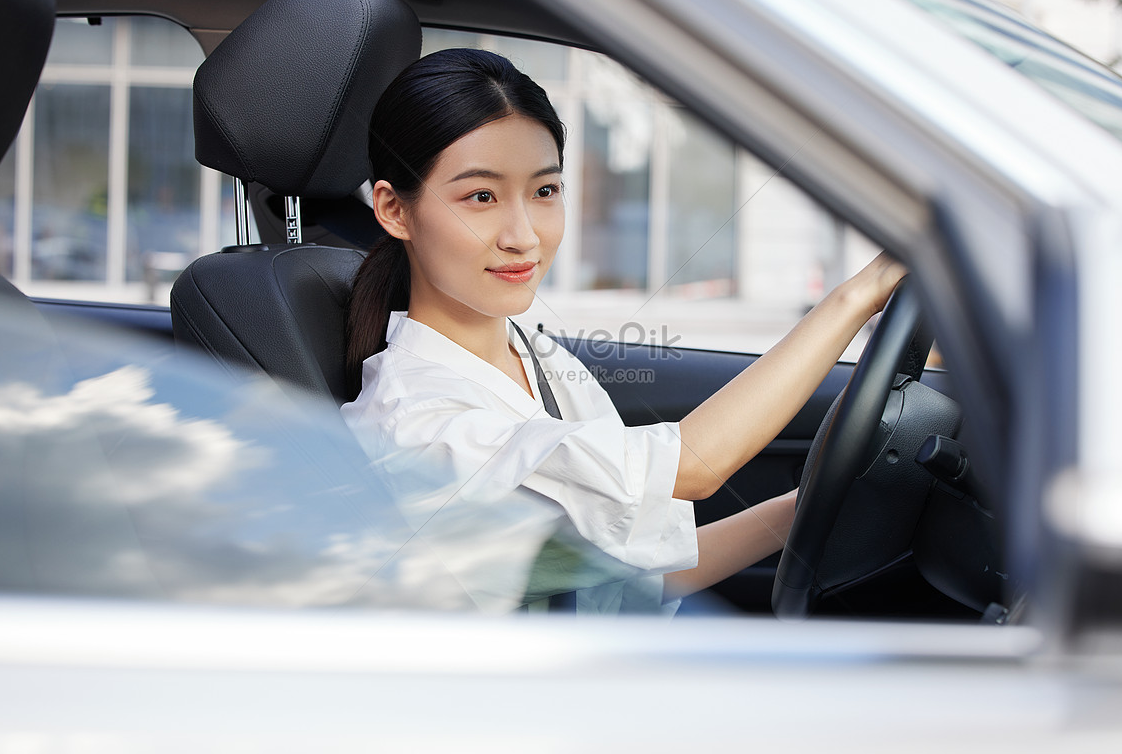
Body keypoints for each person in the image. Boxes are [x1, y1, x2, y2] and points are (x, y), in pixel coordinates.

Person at [341, 48, 905, 614]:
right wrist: (859, 294)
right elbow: (689, 468)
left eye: (544, 191)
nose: (523, 236)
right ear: (394, 210)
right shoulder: (418, 427)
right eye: (480, 197)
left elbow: (628, 574)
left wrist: (806, 507)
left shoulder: (532, 355)